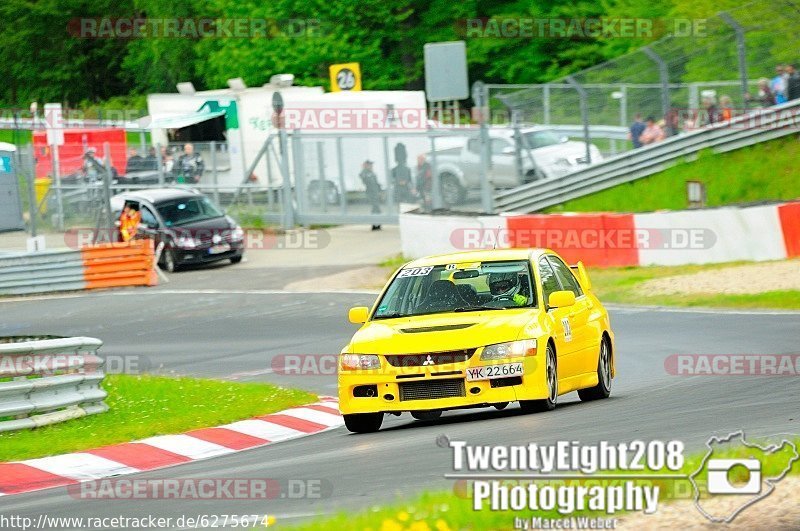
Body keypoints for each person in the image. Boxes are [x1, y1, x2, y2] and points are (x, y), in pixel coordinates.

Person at [359, 160, 382, 231]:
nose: (371, 166)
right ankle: (374, 224)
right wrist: (363, 168)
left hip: (376, 193)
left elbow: (376, 183)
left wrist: (380, 191)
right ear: (366, 165)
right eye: (369, 165)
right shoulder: (364, 173)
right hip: (370, 193)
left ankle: (378, 224)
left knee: (377, 209)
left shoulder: (372, 173)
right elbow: (363, 178)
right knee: (375, 208)